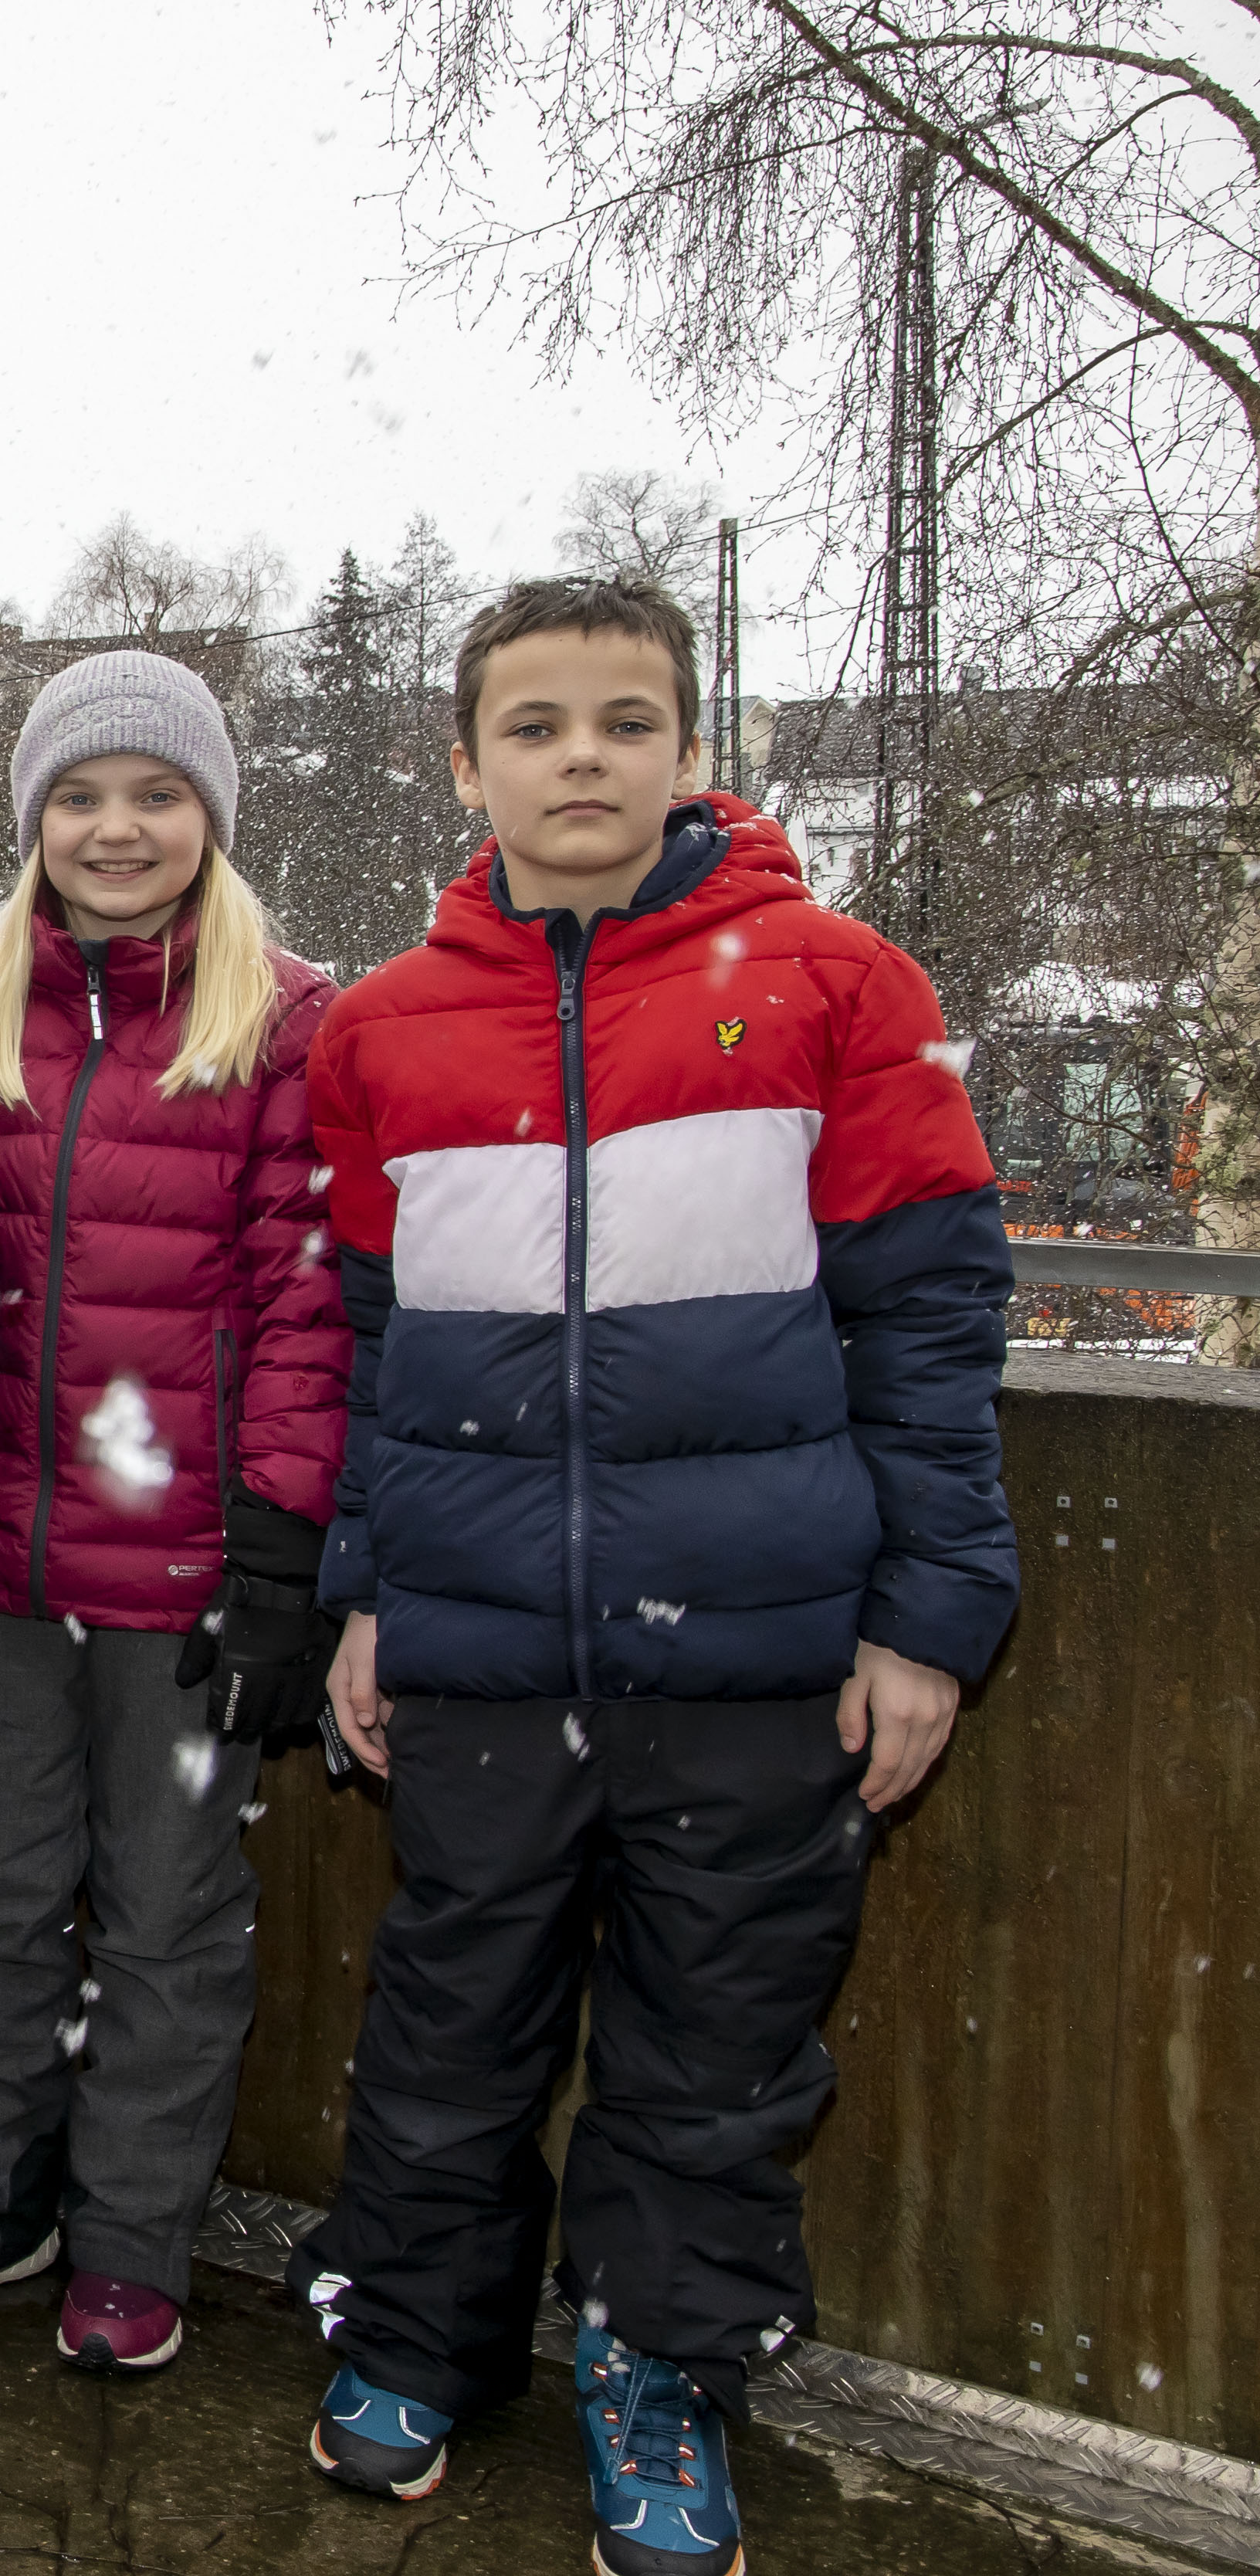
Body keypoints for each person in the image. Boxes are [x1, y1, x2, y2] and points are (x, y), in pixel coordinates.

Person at [294, 578, 1014, 2576]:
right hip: (484, 1649)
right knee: (454, 2021)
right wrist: (365, 1587)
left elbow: (933, 1328)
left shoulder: (836, 987)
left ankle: (660, 2369)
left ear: (696, 750)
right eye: (536, 726)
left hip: (760, 1652)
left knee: (716, 2050)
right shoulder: (383, 1030)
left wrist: (928, 1619)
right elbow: (368, 1345)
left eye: (628, 719)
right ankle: (420, 2336)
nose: (583, 757)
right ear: (466, 764)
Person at [0, 651, 348, 2378]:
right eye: (78, 796)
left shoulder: (282, 1021)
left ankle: (133, 2233)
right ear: (30, 825)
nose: (115, 826)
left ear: (209, 819)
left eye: (155, 794)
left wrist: (280, 1548)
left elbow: (302, 1305)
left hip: (183, 1583)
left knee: (166, 1915)